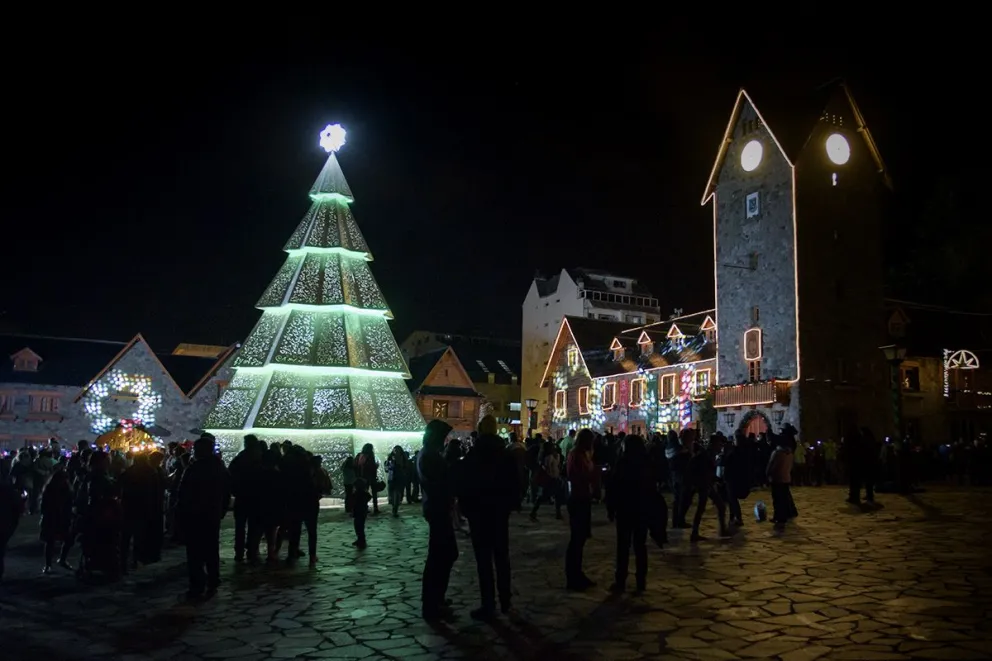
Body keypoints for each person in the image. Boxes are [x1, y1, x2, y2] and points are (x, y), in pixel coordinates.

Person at [458, 416, 519, 619]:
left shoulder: (474, 454)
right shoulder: (505, 453)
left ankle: (488, 603)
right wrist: (509, 505)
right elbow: (515, 481)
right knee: (502, 557)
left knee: (483, 561)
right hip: (499, 512)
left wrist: (466, 508)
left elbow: (464, 482)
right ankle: (506, 601)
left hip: (480, 513)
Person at [177, 435, 231, 600]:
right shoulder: (219, 467)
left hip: (195, 514)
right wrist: (222, 509)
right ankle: (213, 579)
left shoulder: (194, 469)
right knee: (211, 548)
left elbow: (183, 493)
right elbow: (227, 490)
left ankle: (197, 584)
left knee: (194, 552)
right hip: (212, 513)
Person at [418, 420, 457, 621]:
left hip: (437, 509)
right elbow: (440, 483)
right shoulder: (430, 457)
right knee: (440, 556)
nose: (445, 441)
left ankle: (436, 599)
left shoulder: (429, 455)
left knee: (445, 555)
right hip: (437, 509)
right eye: (442, 437)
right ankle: (432, 602)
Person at [606, 435, 655, 593]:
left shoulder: (623, 463)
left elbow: (613, 486)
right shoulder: (646, 463)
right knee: (640, 546)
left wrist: (611, 508)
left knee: (623, 546)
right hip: (642, 508)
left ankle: (621, 580)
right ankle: (641, 581)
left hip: (625, 508)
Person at [565, 428, 598, 590]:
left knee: (582, 538)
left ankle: (577, 573)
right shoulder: (576, 455)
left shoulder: (584, 455)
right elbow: (575, 476)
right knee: (577, 538)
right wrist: (592, 475)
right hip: (578, 498)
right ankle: (572, 576)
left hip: (584, 497)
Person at [352, 478, 370, 550]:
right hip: (363, 511)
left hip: (357, 512)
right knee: (361, 526)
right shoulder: (365, 493)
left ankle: (361, 540)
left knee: (358, 527)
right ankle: (361, 539)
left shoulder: (356, 494)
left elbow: (353, 502)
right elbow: (369, 497)